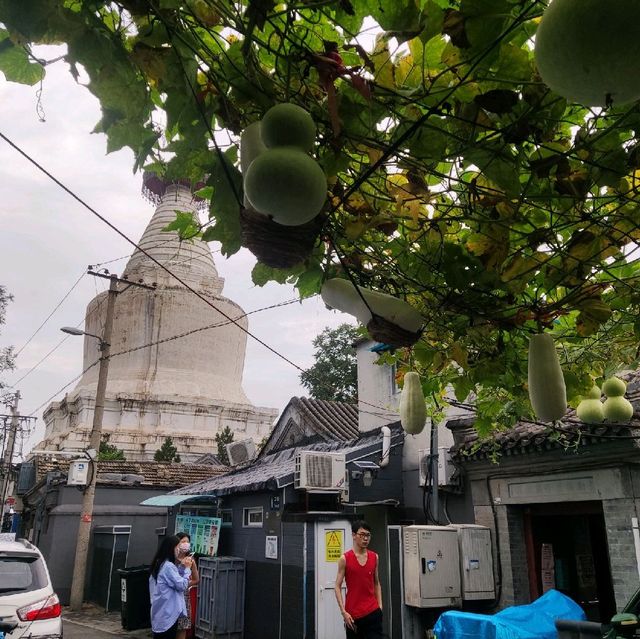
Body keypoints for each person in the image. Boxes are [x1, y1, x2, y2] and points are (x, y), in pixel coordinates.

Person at [334, 520, 383, 639]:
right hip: (353, 616)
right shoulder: (345, 559)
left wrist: (380, 607)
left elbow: (376, 583)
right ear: (354, 535)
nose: (365, 538)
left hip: (373, 613)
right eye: (362, 535)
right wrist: (343, 612)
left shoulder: (374, 557)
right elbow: (337, 586)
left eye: (368, 535)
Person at [149, 535, 193, 639]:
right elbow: (182, 585)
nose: (179, 549)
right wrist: (187, 569)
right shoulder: (168, 566)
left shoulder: (159, 563)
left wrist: (182, 568)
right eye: (177, 546)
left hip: (161, 612)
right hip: (168, 613)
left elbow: (175, 580)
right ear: (170, 548)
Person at [175, 532, 200, 639]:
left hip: (184, 597)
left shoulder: (191, 560)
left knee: (183, 627)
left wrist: (192, 565)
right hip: (172, 598)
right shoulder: (170, 561)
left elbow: (196, 580)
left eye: (187, 542)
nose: (186, 544)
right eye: (183, 542)